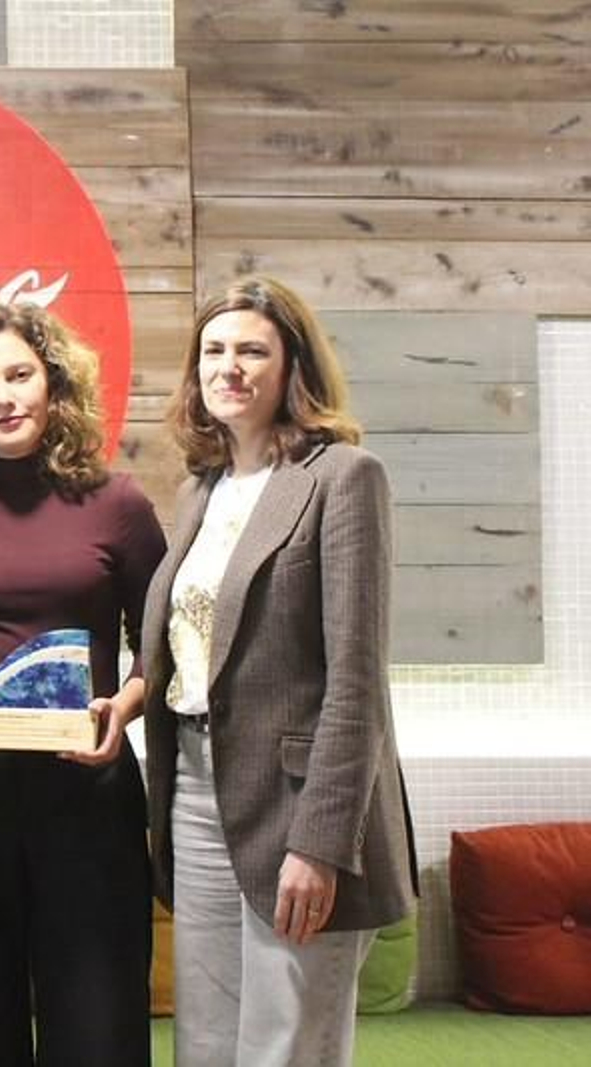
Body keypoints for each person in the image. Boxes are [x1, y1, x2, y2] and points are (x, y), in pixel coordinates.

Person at [141, 276, 418, 1066]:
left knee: (286, 1046)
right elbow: (190, 639)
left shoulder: (343, 478)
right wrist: (134, 686)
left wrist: (321, 843)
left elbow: (356, 681)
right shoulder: (205, 487)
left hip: (299, 807)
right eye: (214, 351)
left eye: (252, 350)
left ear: (291, 366)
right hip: (196, 788)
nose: (228, 367)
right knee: (206, 1040)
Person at [0, 301, 164, 1066]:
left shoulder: (119, 504)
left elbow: (164, 642)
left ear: (55, 387)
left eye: (21, 375)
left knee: (97, 1024)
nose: (4, 397)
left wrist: (128, 706)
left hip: (86, 796)